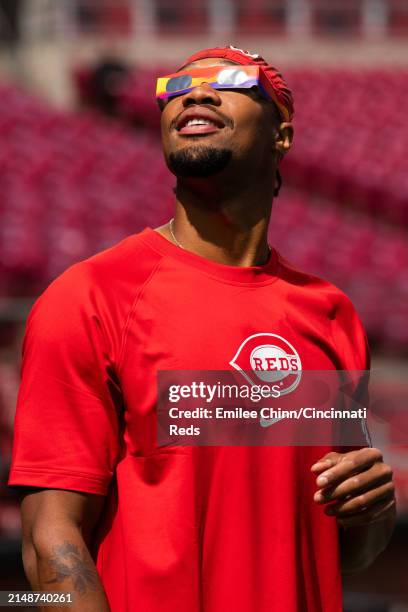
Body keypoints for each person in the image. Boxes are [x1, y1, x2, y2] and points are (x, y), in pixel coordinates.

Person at [8, 45, 396, 612]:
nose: (196, 92)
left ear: (281, 135)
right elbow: (51, 541)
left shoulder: (331, 313)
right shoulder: (92, 295)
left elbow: (346, 548)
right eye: (174, 87)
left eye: (233, 82)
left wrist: (373, 510)